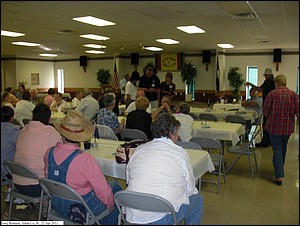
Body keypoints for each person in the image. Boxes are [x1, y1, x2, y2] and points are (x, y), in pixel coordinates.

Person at [45, 109, 122, 225]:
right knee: (114, 191)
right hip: (81, 209)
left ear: (61, 133)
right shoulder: (84, 159)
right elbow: (102, 189)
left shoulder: (49, 152)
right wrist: (110, 205)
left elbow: (49, 178)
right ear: (81, 137)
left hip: (57, 205)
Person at [126, 112, 203, 224]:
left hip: (132, 216)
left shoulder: (139, 150)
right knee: (197, 200)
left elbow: (128, 180)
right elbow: (190, 189)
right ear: (172, 133)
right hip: (160, 218)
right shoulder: (180, 153)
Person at [13, 103, 61, 207]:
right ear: (48, 118)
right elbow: (62, 149)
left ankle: (44, 205)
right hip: (37, 186)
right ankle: (47, 207)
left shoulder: (23, 130)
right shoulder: (50, 131)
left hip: (17, 183)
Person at [263, 74, 299, 186]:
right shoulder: (293, 94)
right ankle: (280, 168)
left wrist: (270, 116)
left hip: (274, 127)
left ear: (277, 83)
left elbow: (265, 110)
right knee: (283, 147)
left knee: (277, 149)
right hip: (288, 127)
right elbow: (298, 111)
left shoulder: (272, 94)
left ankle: (278, 175)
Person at [244, 68, 275, 147]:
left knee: (266, 124)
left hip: (268, 104)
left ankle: (265, 142)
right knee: (269, 124)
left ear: (266, 75)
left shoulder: (268, 81)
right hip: (272, 104)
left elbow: (259, 89)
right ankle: (269, 141)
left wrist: (251, 84)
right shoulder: (273, 81)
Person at [1, 106, 20, 202]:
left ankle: (10, 190)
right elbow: (21, 147)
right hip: (5, 172)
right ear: (12, 118)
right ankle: (14, 192)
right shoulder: (13, 131)